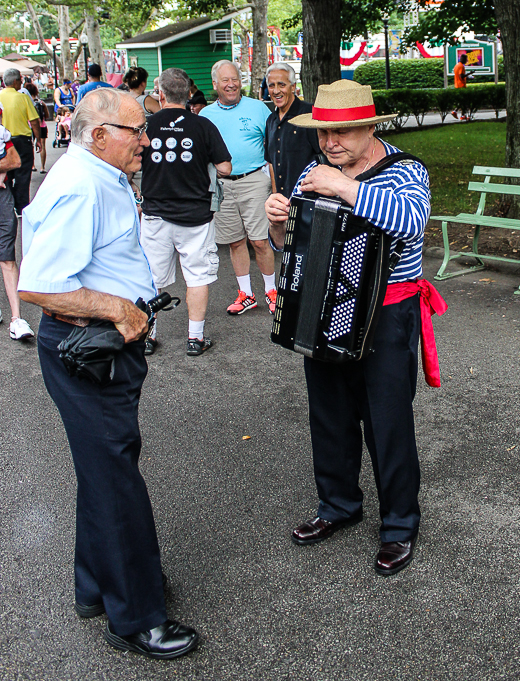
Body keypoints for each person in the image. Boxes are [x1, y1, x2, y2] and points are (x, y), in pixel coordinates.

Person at [17, 88, 199, 659]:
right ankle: (137, 617)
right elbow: (39, 285)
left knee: (105, 471)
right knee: (116, 480)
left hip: (99, 348)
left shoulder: (98, 173)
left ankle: (96, 587)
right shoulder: (80, 186)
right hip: (90, 349)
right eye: (136, 130)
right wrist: (121, 309)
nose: (147, 140)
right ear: (99, 135)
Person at [266, 80, 447, 576]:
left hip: (387, 313)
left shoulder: (406, 170)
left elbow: (411, 221)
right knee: (329, 414)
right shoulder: (316, 168)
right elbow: (294, 246)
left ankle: (399, 525)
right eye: (324, 134)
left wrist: (343, 186)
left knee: (387, 420)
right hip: (324, 309)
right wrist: (279, 222)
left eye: (342, 132)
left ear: (370, 127)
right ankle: (338, 506)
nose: (330, 143)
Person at [139, 68, 231, 356]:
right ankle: (195, 338)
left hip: (155, 213)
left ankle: (148, 335)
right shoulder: (203, 126)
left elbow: (132, 163)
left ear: (161, 94)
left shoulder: (147, 125)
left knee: (150, 278)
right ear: (190, 94)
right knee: (197, 277)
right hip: (195, 215)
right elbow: (226, 167)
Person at [200, 60, 276, 315]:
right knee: (234, 241)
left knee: (260, 240)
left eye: (235, 79)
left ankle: (271, 291)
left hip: (254, 180)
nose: (231, 84)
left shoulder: (258, 108)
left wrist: (272, 182)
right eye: (225, 80)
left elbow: (273, 145)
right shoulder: (206, 115)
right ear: (215, 84)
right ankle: (246, 294)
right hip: (222, 186)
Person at [263, 62, 320, 198]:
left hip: (309, 199)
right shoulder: (271, 120)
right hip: (284, 202)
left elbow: (325, 157)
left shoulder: (310, 114)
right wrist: (276, 196)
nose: (276, 91)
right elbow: (271, 162)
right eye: (271, 86)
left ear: (293, 86)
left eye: (282, 85)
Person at [0, 124, 34, 339]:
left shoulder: (1, 132)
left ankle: (16, 319)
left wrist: (4, 169)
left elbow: (15, 160)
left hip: (3, 198)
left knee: (7, 256)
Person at [0, 68, 42, 216]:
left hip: (3, 143)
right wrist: (38, 139)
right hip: (22, 141)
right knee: (23, 175)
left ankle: (9, 203)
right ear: (16, 81)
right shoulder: (22, 97)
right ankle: (21, 206)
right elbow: (35, 121)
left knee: (6, 174)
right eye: (21, 80)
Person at [26, 82, 48, 174]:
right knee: (42, 145)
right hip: (42, 126)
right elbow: (47, 115)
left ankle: (33, 165)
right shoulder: (41, 103)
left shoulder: (27, 102)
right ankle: (42, 167)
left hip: (30, 125)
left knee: (31, 145)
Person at [451, 54, 471, 121]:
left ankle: (459, 113)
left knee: (462, 101)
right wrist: (469, 74)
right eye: (466, 59)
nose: (467, 61)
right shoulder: (461, 66)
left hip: (457, 85)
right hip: (461, 85)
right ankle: (461, 114)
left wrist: (467, 77)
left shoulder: (456, 65)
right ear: (463, 59)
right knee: (464, 101)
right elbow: (461, 76)